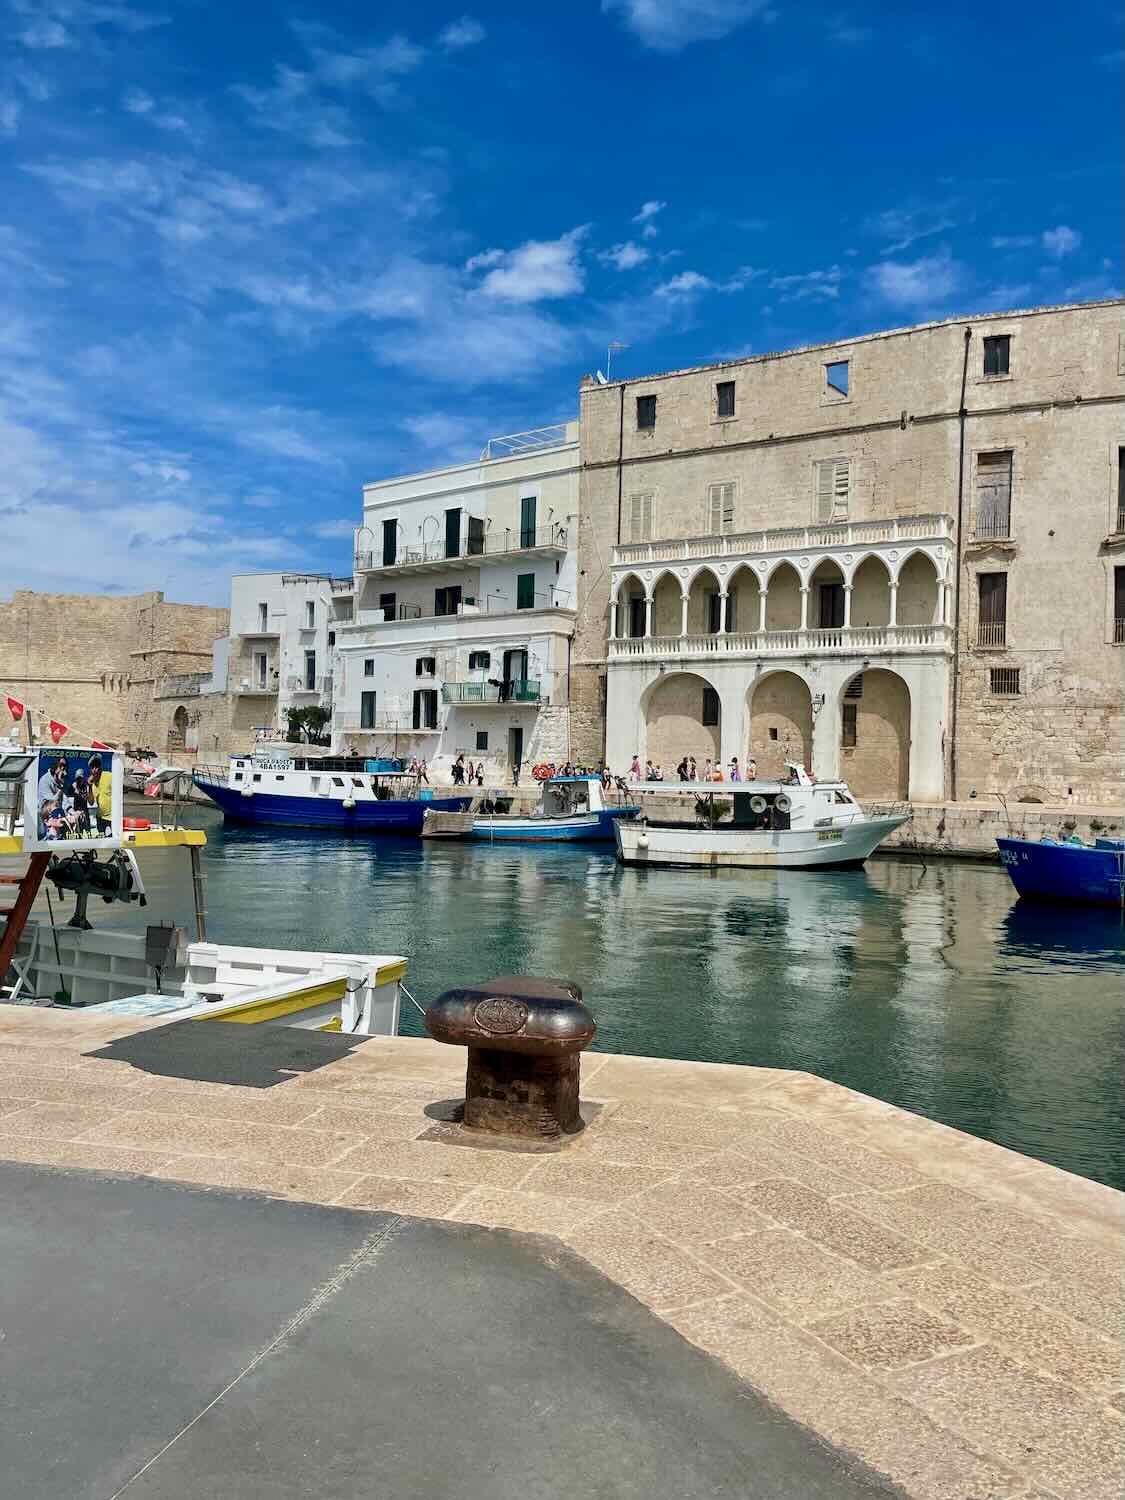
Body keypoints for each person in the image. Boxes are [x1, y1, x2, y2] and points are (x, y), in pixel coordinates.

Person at [88, 753, 112, 834]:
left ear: (100, 767)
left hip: (112, 817)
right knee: (101, 840)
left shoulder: (109, 776)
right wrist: (90, 786)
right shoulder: (93, 783)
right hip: (100, 817)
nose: (95, 769)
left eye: (97, 766)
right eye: (92, 767)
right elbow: (91, 803)